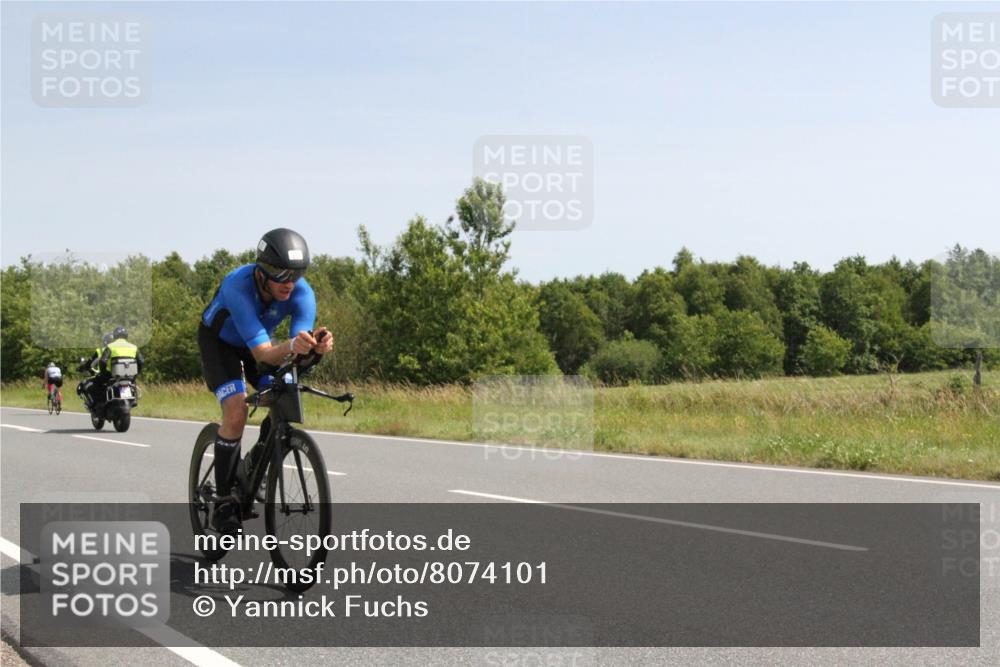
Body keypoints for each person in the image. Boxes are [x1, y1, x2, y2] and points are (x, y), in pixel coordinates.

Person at [198, 228, 333, 533]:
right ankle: (224, 502)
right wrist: (293, 347)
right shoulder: (238, 285)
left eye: (296, 274)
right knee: (237, 411)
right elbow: (262, 354)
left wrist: (315, 349)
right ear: (262, 271)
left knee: (285, 387)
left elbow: (295, 352)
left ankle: (256, 463)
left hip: (262, 346)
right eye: (280, 274)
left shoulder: (302, 293)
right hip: (220, 344)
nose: (288, 282)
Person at [78, 329, 143, 409]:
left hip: (110, 375)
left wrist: (103, 372)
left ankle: (96, 404)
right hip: (128, 376)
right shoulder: (133, 347)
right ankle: (131, 399)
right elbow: (141, 361)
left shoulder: (108, 348)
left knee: (92, 385)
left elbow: (102, 361)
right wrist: (135, 374)